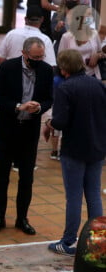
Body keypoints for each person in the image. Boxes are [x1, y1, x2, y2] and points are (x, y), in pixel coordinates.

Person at [0, 37, 54, 235]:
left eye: (41, 56)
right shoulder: (7, 68)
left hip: (29, 130)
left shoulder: (46, 70)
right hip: (7, 128)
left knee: (27, 177)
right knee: (1, 176)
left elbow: (49, 98)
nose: (39, 59)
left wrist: (40, 107)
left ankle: (22, 218)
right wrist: (18, 106)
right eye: (35, 56)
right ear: (24, 53)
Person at [46, 49, 106, 256]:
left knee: (73, 196)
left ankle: (68, 241)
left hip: (74, 149)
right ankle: (97, 242)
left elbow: (61, 121)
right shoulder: (98, 84)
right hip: (97, 146)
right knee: (94, 194)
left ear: (63, 69)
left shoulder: (66, 88)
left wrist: (49, 122)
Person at [57, 4, 104, 79]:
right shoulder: (67, 37)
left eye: (91, 15)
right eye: (88, 15)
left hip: (92, 75)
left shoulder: (94, 33)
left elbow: (101, 52)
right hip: (73, 76)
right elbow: (60, 59)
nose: (91, 18)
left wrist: (98, 55)